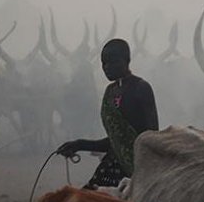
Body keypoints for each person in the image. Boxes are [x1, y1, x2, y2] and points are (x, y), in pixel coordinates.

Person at [57, 38, 158, 189]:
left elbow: (151, 137)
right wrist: (79, 145)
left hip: (139, 171)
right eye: (103, 63)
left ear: (127, 60)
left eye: (113, 62)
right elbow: (115, 142)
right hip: (111, 165)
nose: (106, 67)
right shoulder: (110, 91)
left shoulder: (141, 88)